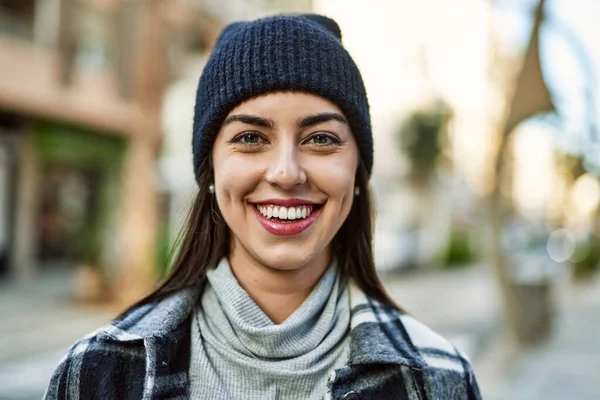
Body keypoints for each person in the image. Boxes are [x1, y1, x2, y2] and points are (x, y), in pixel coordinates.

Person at [45, 14, 481, 400]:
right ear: (211, 170)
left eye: (321, 139)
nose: (287, 173)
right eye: (250, 138)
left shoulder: (440, 379)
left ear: (357, 171)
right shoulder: (97, 375)